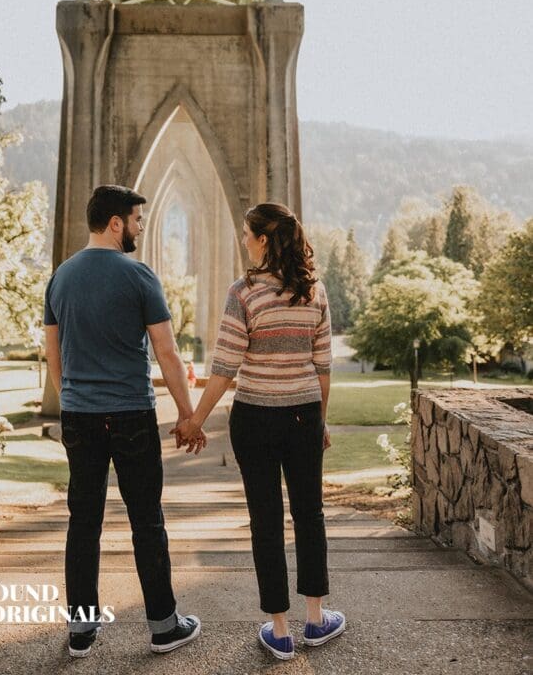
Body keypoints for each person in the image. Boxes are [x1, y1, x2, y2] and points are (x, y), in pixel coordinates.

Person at [173, 202, 345, 661]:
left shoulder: (243, 293)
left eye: (248, 234)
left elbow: (225, 367)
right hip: (302, 415)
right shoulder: (315, 292)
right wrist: (319, 421)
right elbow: (323, 368)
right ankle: (316, 619)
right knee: (310, 515)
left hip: (254, 417)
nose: (244, 241)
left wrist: (195, 418)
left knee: (266, 520)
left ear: (264, 240)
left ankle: (280, 629)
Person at [44, 184, 206, 659]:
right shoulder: (139, 276)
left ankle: (81, 632)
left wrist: (72, 393)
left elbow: (53, 351)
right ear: (115, 223)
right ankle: (163, 627)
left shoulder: (60, 278)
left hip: (81, 416)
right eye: (136, 220)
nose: (138, 228)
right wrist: (187, 414)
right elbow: (168, 351)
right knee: (146, 521)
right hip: (132, 413)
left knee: (84, 522)